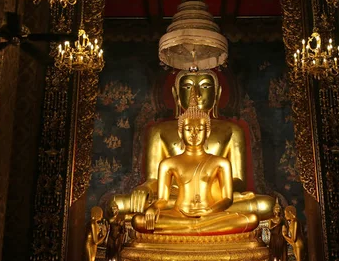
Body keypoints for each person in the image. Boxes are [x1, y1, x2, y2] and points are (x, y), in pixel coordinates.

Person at [113, 70, 273, 222]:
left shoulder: (231, 130)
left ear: (217, 93)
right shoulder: (159, 131)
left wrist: (213, 191)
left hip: (215, 198)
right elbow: (154, 179)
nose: (195, 93)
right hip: (173, 199)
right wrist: (146, 188)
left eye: (205, 86)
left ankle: (194, 221)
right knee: (118, 205)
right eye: (188, 86)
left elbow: (238, 180)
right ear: (176, 94)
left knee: (266, 205)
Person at [131, 92, 260, 235]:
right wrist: (153, 208)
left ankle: (192, 229)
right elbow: (162, 199)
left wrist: (209, 211)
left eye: (199, 129)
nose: (194, 134)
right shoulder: (168, 164)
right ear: (180, 133)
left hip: (210, 215)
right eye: (188, 129)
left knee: (251, 218)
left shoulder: (221, 163)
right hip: (179, 214)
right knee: (138, 221)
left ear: (208, 132)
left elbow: (228, 199)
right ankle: (197, 229)